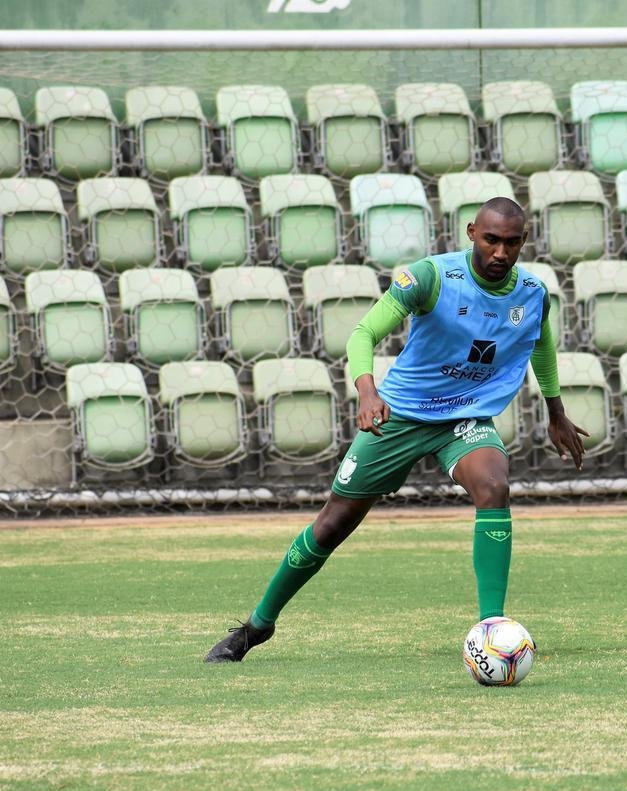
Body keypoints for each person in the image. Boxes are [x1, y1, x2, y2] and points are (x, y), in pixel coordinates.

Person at [204, 197, 588, 663]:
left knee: (494, 485)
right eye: (491, 240)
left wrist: (555, 409)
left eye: (511, 243)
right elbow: (362, 334)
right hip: (400, 415)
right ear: (471, 233)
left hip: (463, 419)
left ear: (523, 242)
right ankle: (256, 628)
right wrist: (368, 393)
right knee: (331, 525)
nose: (500, 253)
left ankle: (493, 630)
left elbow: (539, 343)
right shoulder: (429, 278)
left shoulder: (532, 294)